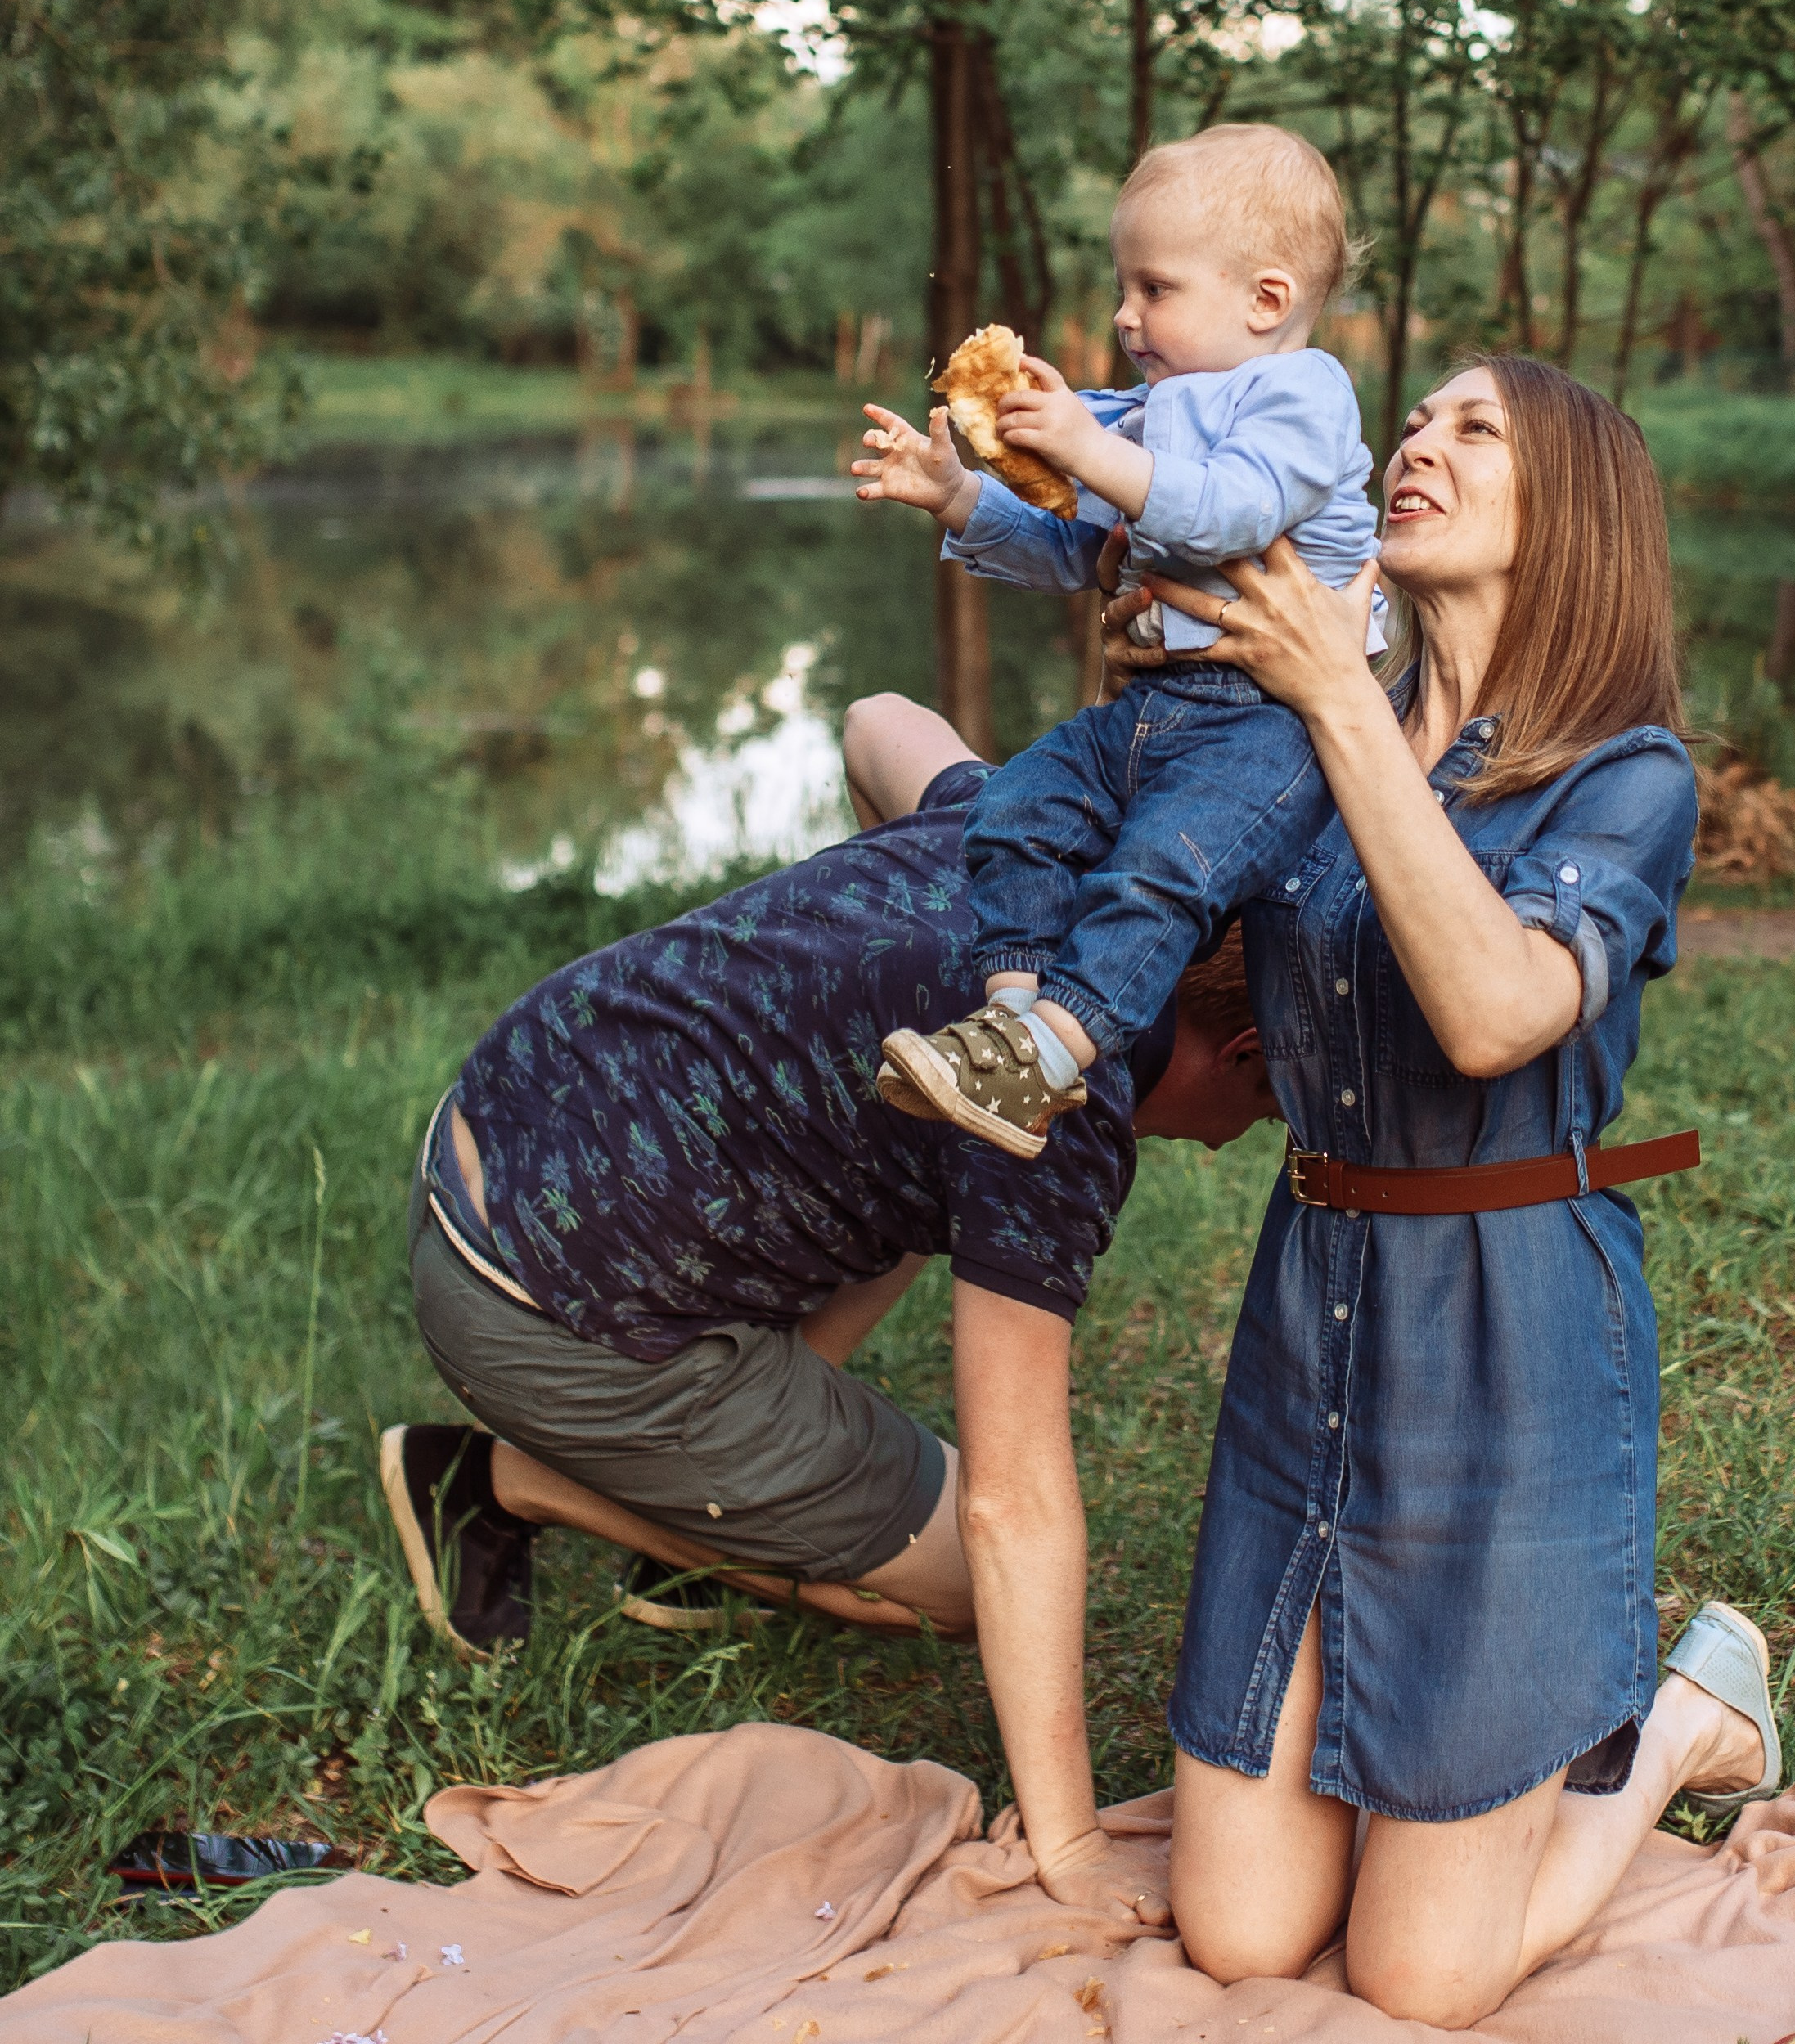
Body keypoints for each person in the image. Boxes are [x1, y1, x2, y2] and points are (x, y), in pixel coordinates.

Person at [377, 688, 1275, 1925]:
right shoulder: (1053, 1104)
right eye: (1269, 1114)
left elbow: (878, 719)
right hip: (542, 1307)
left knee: (912, 1141)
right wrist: (1066, 1842)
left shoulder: (1027, 847)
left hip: (494, 1120)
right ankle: (499, 1485)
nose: (1238, 1147)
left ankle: (725, 1480)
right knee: (966, 1581)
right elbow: (1017, 1503)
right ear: (1242, 1056)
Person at [1135, 354, 1783, 2028]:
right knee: (1241, 1936)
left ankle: (1678, 1727)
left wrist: (1341, 701)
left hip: (1514, 1345)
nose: (1417, 443)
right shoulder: (1294, 744)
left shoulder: (1623, 775)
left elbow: (1497, 1014)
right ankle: (1413, 1777)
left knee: (1420, 1979)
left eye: (1469, 428)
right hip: (1314, 1308)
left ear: (1569, 511)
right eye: (1411, 422)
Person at [851, 124, 1379, 1158]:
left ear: (1264, 301)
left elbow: (1229, 513)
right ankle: (1005, 1023)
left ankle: (1060, 1048)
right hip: (1148, 708)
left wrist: (1094, 445)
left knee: (1158, 874)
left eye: (1153, 289)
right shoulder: (1152, 413)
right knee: (1016, 811)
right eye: (1123, 286)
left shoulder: (1302, 395)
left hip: (1263, 727)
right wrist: (960, 497)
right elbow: (1075, 549)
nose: (1124, 315)